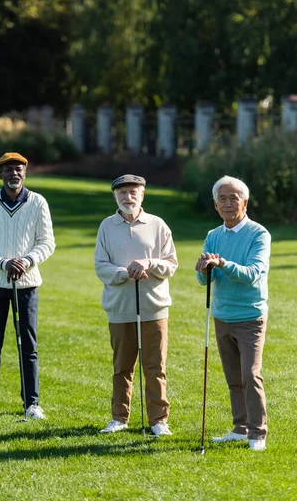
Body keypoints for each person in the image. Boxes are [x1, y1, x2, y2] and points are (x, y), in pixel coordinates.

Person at [0, 152, 56, 420]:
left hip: (27, 285)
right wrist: (3, 262)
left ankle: (32, 404)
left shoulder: (38, 202)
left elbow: (47, 242)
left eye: (18, 169)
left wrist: (27, 261)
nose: (13, 174)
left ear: (25, 173)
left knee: (27, 345)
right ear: (0, 174)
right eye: (8, 170)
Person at [95, 174, 178, 437]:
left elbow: (171, 265)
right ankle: (119, 417)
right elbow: (101, 266)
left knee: (155, 367)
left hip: (154, 307)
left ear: (142, 195)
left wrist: (149, 263)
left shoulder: (158, 225)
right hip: (120, 308)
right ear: (115, 197)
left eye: (133, 192)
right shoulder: (107, 226)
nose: (128, 197)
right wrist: (125, 272)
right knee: (122, 367)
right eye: (122, 193)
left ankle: (158, 420)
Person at [195, 175, 271, 451]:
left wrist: (222, 262)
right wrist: (204, 268)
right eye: (222, 199)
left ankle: (257, 433)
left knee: (250, 374)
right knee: (233, 377)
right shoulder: (213, 236)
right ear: (216, 206)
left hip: (250, 316)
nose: (228, 204)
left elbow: (251, 274)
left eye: (233, 198)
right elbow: (205, 281)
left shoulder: (259, 234)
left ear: (245, 202)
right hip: (221, 315)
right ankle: (240, 428)